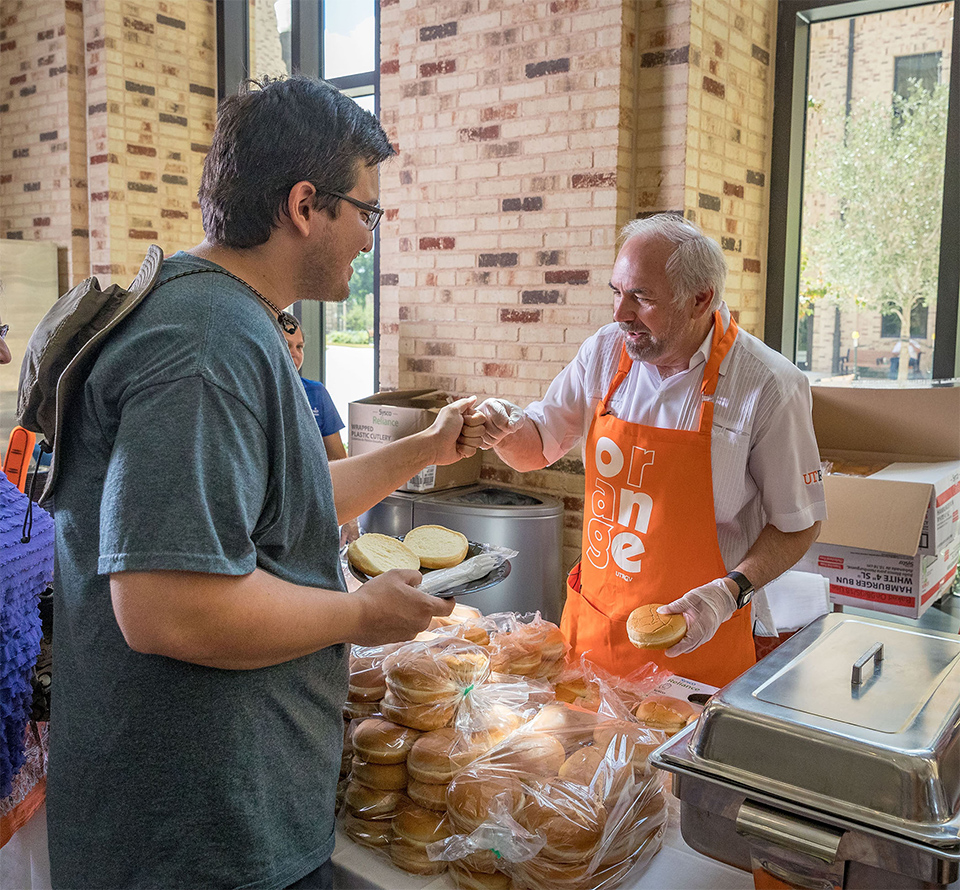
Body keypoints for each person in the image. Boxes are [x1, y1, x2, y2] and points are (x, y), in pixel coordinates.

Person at [46, 75, 481, 890]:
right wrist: (361, 613)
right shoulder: (206, 345)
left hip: (222, 817)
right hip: (197, 838)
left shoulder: (224, 317)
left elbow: (280, 508)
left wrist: (420, 449)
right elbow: (168, 606)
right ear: (305, 204)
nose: (370, 238)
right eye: (368, 213)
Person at [461, 215, 826, 688]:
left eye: (642, 298)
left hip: (698, 648)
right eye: (617, 292)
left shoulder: (769, 386)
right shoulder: (605, 352)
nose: (620, 313)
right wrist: (504, 429)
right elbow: (537, 447)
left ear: (701, 299)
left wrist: (728, 594)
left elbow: (799, 524)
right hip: (594, 633)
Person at [282, 321, 348, 462]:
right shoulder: (253, 393)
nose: (294, 353)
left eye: (299, 347)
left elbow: (337, 457)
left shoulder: (316, 392)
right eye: (286, 345)